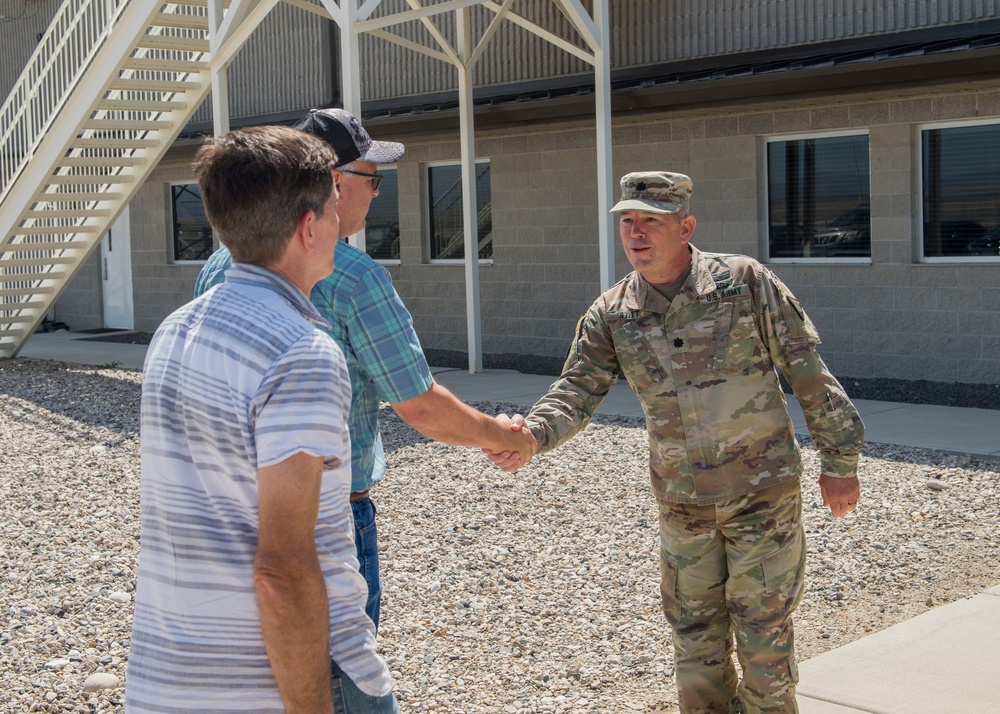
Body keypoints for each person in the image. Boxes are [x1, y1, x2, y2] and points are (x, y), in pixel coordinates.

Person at [489, 172, 864, 713]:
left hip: (762, 497)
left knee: (763, 640)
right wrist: (531, 437)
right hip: (683, 504)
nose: (636, 233)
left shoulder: (744, 282)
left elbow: (807, 371)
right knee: (695, 640)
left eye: (651, 221)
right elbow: (575, 391)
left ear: (686, 226)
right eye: (628, 222)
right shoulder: (613, 312)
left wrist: (840, 461)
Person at [195, 107, 536, 629]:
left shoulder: (218, 266)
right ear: (333, 184)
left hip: (233, 510)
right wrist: (501, 435)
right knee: (343, 675)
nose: (377, 195)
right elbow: (420, 406)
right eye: (372, 180)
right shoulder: (356, 277)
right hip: (327, 516)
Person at [126, 125, 399, 712]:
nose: (340, 225)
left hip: (170, 675)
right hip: (277, 680)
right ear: (308, 227)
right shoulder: (301, 351)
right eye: (331, 209)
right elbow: (283, 569)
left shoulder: (174, 329)